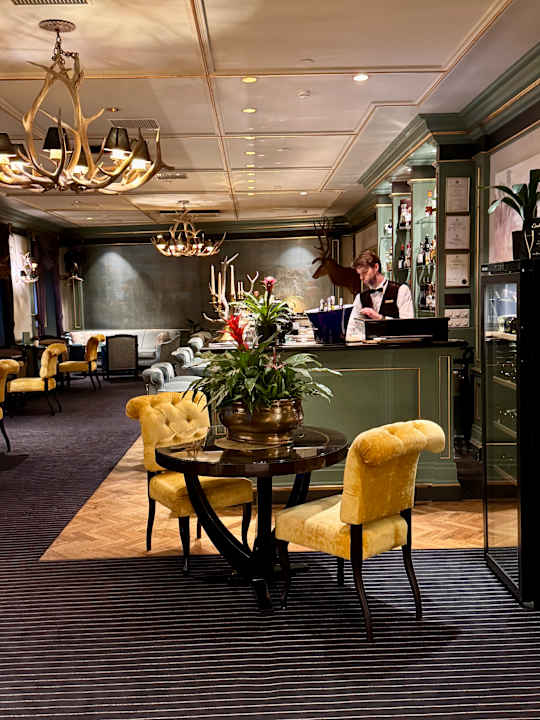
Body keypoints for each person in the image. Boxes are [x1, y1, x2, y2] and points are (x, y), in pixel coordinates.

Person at [346, 249, 414, 340]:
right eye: (359, 274)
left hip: (395, 346)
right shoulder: (360, 298)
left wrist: (380, 318)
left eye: (365, 272)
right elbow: (351, 329)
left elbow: (408, 326)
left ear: (376, 267)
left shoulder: (401, 290)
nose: (361, 278)